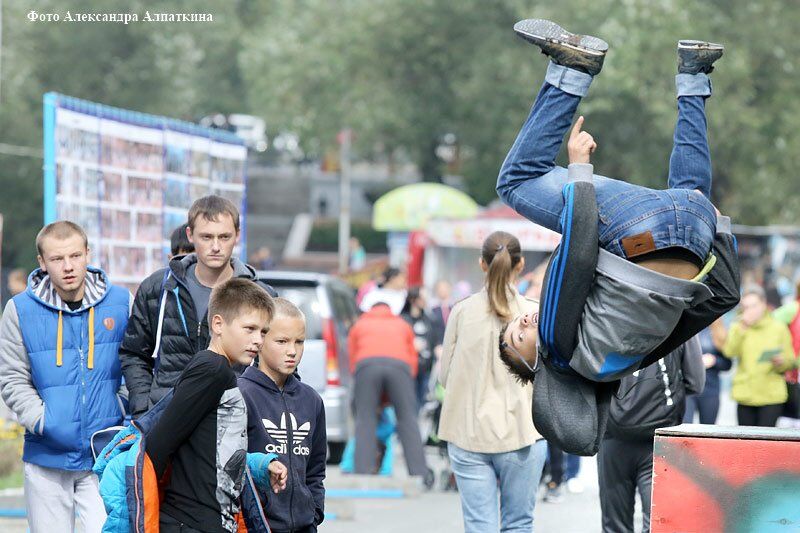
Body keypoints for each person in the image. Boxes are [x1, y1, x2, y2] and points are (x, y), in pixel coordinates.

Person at [495, 19, 740, 454]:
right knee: (516, 181)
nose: (524, 320)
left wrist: (717, 229)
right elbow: (578, 257)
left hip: (694, 227)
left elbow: (723, 297)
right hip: (636, 229)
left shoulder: (630, 358)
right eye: (519, 337)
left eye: (515, 321)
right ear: (536, 366)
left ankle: (694, 73)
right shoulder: (557, 346)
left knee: (692, 194)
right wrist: (579, 173)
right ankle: (572, 69)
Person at [0, 221, 130, 532]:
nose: (68, 267)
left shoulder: (121, 302)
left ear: (88, 254)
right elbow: (12, 377)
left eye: (75, 256)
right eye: (57, 259)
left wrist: (121, 409)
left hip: (105, 453)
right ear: (42, 263)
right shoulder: (18, 309)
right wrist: (44, 421)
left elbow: (134, 366)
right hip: (46, 455)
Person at [144, 278, 285, 531]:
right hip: (190, 521)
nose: (258, 340)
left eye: (263, 332)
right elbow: (159, 445)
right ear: (218, 324)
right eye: (250, 329)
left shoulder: (222, 372)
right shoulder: (213, 369)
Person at [119, 195, 276, 418]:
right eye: (206, 237)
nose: (215, 246)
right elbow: (134, 353)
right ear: (190, 235)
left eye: (224, 237)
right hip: (166, 422)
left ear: (237, 236)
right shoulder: (160, 288)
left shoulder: (262, 295)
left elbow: (273, 363)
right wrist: (145, 408)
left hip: (233, 421)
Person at [439, 231, 547, 533]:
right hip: (524, 433)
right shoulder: (536, 313)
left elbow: (444, 376)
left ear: (482, 264)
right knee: (518, 524)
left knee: (479, 526)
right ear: (521, 264)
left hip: (467, 434)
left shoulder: (461, 312)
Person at [239, 297, 327, 533]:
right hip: (256, 526)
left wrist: (315, 511)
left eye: (299, 342)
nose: (292, 351)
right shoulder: (241, 395)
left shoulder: (312, 401)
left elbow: (316, 470)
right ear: (261, 340)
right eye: (282, 341)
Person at [599, 337, 705, 533]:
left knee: (614, 525)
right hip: (660, 437)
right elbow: (696, 382)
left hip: (612, 434)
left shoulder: (605, 315)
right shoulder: (681, 317)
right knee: (657, 523)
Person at [347, 300, 429, 480]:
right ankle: (419, 473)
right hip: (400, 367)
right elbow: (412, 357)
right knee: (407, 418)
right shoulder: (402, 325)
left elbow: (352, 359)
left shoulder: (359, 325)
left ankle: (362, 472)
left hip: (366, 365)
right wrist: (406, 384)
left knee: (365, 418)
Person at [723, 285, 795, 427]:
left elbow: (791, 360)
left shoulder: (778, 327)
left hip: (771, 395)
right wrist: (742, 329)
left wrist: (781, 362)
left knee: (767, 443)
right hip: (745, 393)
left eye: (754, 306)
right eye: (746, 307)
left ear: (763, 304)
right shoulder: (738, 326)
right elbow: (729, 352)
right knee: (746, 443)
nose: (750, 311)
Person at [683, 319, 732, 424]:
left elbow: (728, 364)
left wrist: (714, 361)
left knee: (708, 429)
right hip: (687, 387)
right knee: (684, 426)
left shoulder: (719, 331)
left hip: (710, 390)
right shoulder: (686, 326)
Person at [401, 286, 438, 410]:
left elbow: (435, 339)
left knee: (421, 402)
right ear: (413, 299)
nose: (425, 301)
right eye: (422, 298)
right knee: (408, 404)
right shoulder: (402, 320)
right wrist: (412, 346)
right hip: (408, 370)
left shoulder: (429, 319)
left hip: (425, 369)